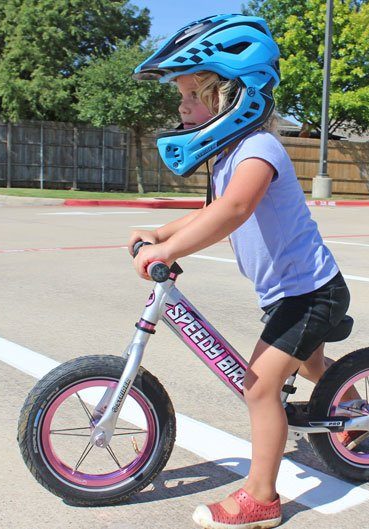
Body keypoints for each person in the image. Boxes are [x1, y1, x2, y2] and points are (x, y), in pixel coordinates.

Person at [130, 14, 351, 529]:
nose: (181, 106)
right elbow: (211, 210)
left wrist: (164, 253)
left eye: (190, 94)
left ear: (229, 96)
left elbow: (233, 212)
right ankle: (357, 414)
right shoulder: (228, 155)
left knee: (258, 386)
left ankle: (261, 499)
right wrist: (164, 234)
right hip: (286, 294)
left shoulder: (259, 148)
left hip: (311, 292)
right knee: (312, 364)